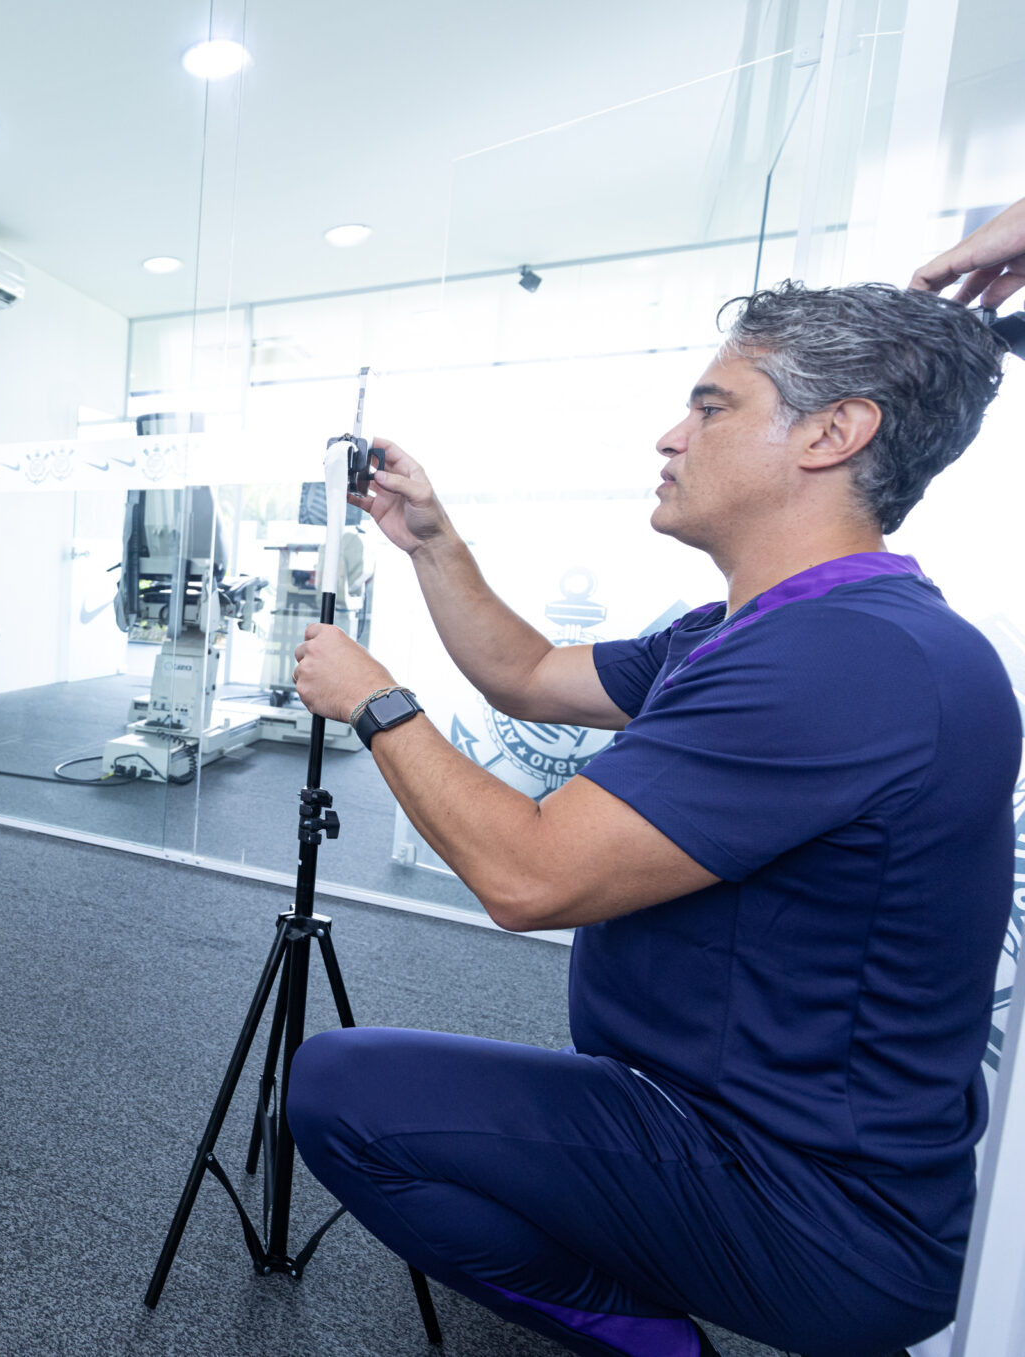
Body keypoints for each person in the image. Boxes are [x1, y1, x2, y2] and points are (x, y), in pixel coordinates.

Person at [284, 281, 1012, 1357]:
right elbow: (527, 673)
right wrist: (429, 540)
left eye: (712, 407)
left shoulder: (851, 659)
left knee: (345, 1092)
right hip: (703, 1115)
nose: (672, 436)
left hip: (816, 1210)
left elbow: (527, 879)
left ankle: (661, 1345)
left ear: (834, 432)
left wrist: (377, 703)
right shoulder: (745, 630)